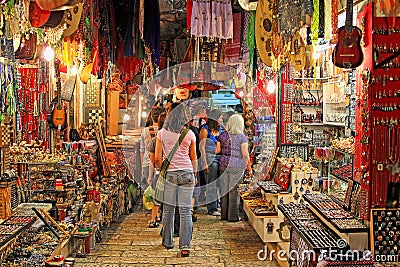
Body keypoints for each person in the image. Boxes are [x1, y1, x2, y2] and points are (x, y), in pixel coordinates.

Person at [155, 103, 197, 257]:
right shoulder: (190, 134)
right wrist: (195, 174)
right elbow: (193, 158)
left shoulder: (162, 133)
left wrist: (162, 170)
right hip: (187, 174)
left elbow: (158, 159)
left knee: (168, 210)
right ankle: (185, 246)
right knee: (185, 211)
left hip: (170, 175)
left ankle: (168, 241)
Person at [216, 114, 252, 222]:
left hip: (223, 164)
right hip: (236, 166)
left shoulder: (222, 135)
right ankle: (232, 217)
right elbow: (245, 154)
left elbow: (217, 151)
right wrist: (249, 168)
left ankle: (223, 214)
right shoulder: (242, 137)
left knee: (224, 190)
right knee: (233, 191)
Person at [199, 109, 222, 216]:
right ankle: (212, 208)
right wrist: (204, 163)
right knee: (211, 183)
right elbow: (202, 148)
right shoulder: (205, 130)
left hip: (220, 157)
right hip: (209, 158)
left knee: (218, 183)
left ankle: (218, 204)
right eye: (220, 118)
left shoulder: (220, 129)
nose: (221, 120)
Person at [139, 106, 165, 191]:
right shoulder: (165, 131)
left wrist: (142, 166)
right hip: (162, 164)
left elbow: (142, 150)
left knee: (150, 191)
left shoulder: (145, 131)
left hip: (147, 162)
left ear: (152, 117)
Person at [148, 112, 167, 228]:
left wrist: (150, 176)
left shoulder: (156, 140)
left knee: (156, 197)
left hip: (159, 172)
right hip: (171, 172)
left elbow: (153, 161)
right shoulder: (177, 138)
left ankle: (153, 219)